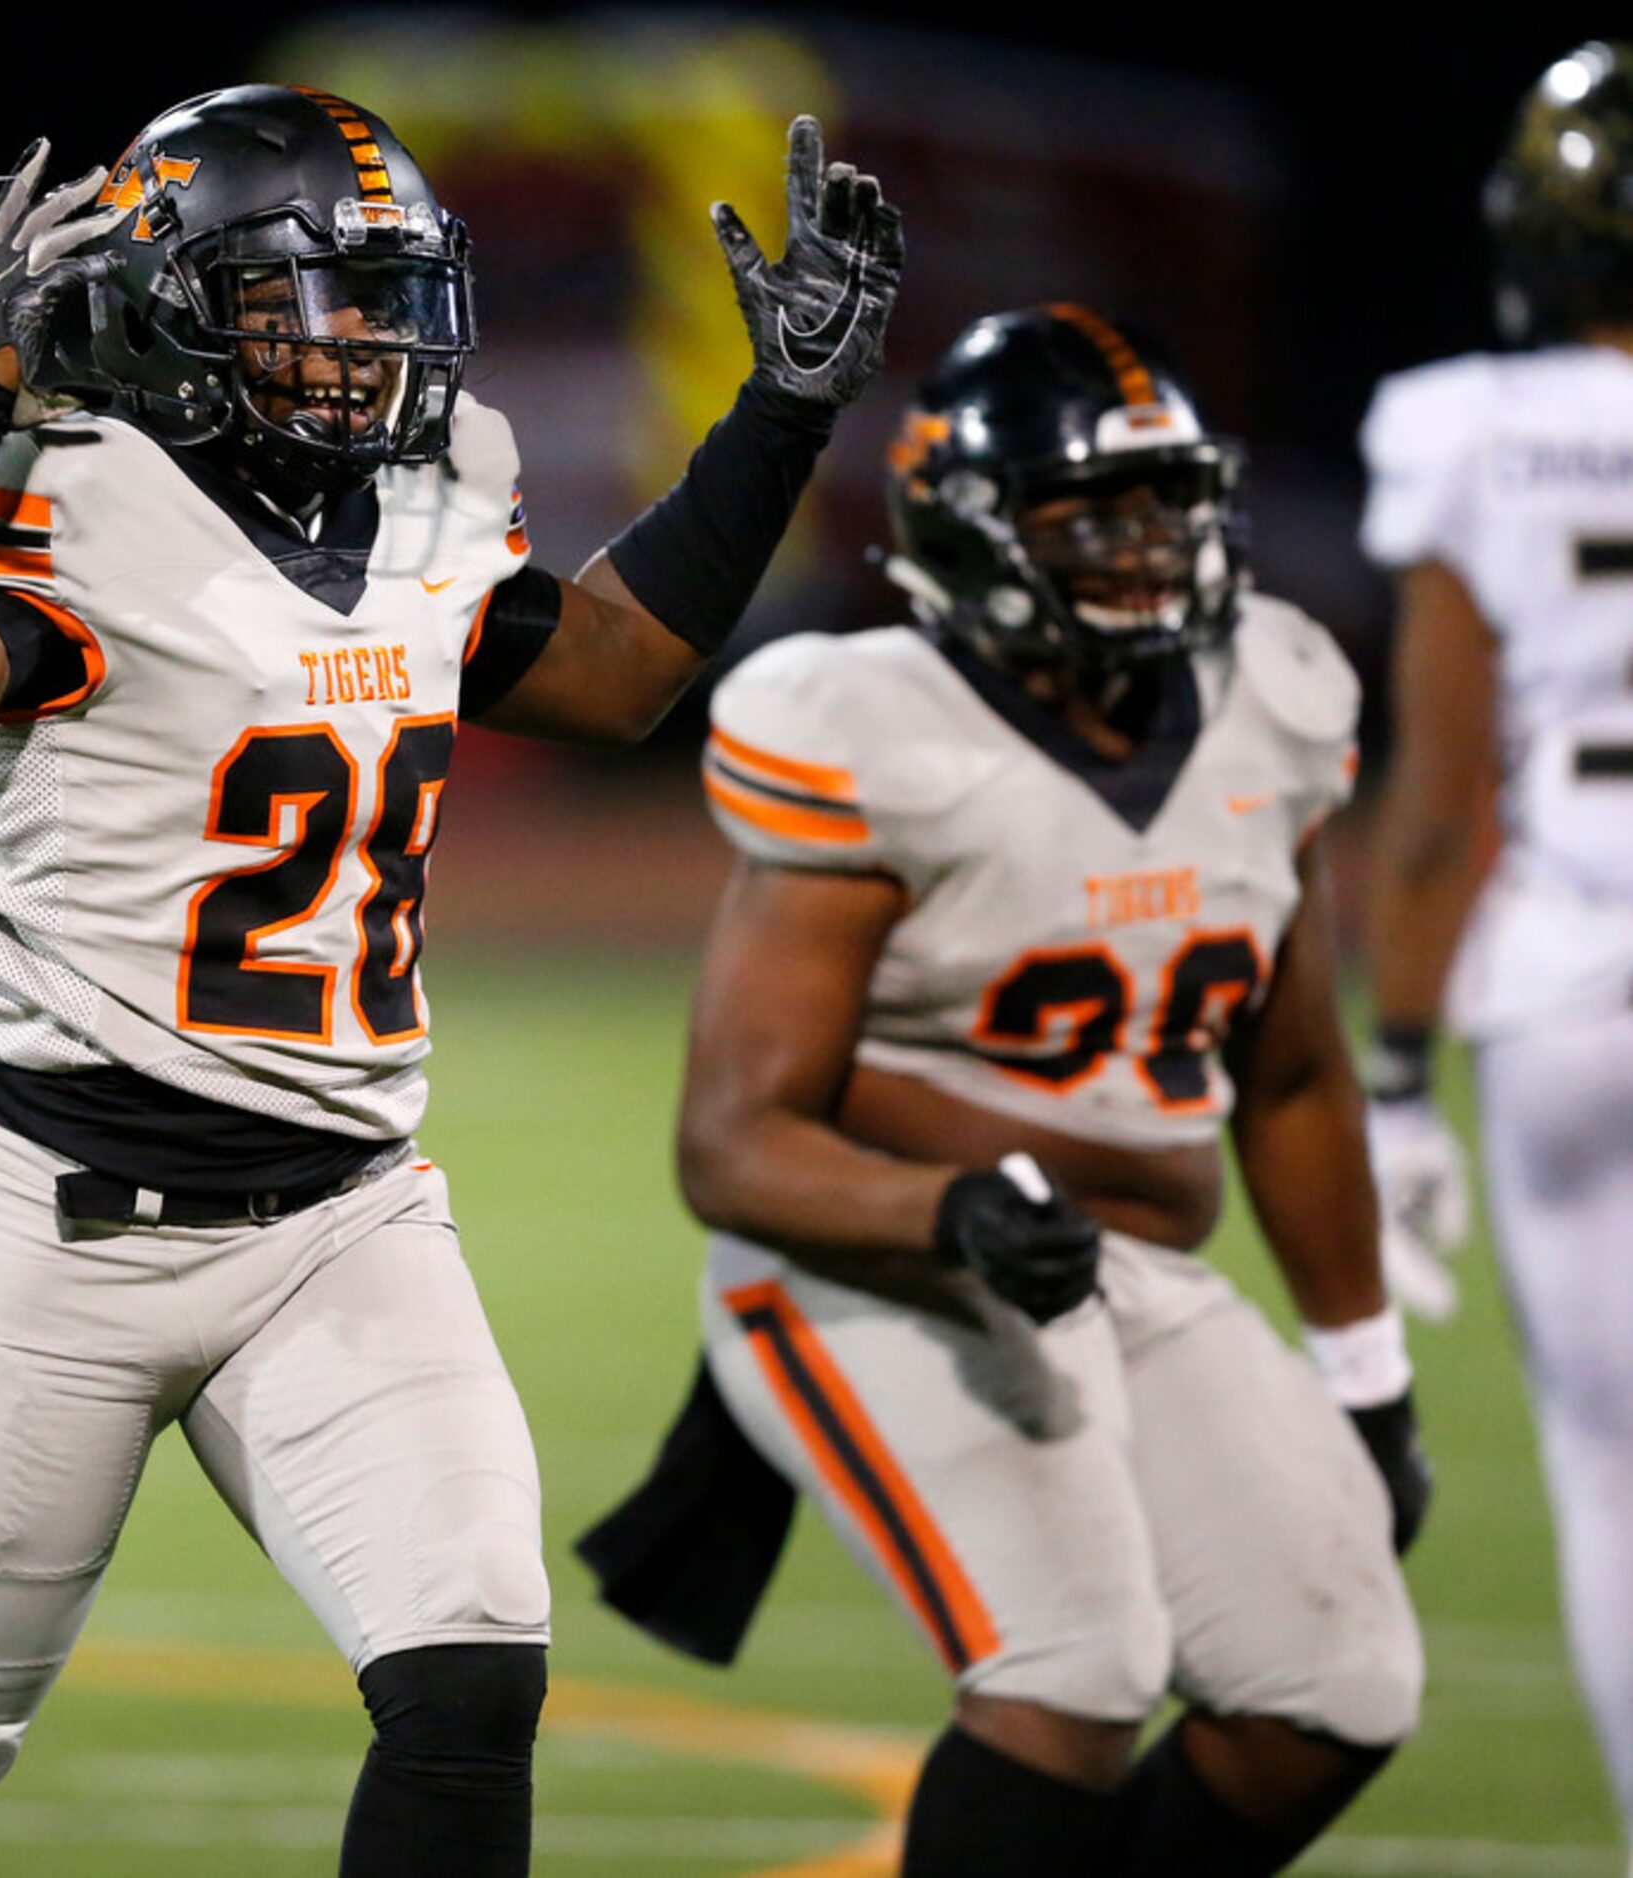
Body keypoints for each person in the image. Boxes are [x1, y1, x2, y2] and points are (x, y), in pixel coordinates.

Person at [0, 84, 900, 1875]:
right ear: (173, 307)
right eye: (301, 304)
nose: (361, 352)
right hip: (59, 1223)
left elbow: (612, 672)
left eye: (384, 299)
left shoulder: (433, 500)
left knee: (469, 1686)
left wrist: (782, 412)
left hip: (341, 1217)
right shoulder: (75, 496)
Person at [578, 306, 1428, 1878]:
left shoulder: (1275, 700)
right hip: (870, 1264)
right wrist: (943, 1209)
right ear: (973, 533)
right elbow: (733, 1139)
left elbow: (1293, 1071)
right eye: (1087, 515)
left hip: (1133, 1264)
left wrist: (1365, 1375)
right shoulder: (873, 724)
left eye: (1164, 504)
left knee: (1334, 1689)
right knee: (1067, 1669)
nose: (1142, 548)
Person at [1359, 39, 1633, 1867]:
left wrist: (1388, 1069)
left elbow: (1439, 802)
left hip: (1572, 990)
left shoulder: (1468, 423)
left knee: (1615, 1487)